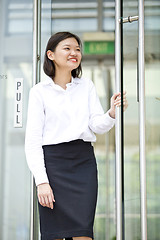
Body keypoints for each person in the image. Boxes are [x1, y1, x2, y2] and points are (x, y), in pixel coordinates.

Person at [25, 31, 127, 240]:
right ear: (51, 55)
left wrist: (112, 114)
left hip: (83, 164)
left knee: (83, 233)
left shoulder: (86, 86)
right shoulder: (39, 91)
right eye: (68, 48)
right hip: (53, 166)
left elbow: (96, 125)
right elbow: (33, 141)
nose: (74, 53)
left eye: (78, 49)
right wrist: (41, 182)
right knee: (54, 235)